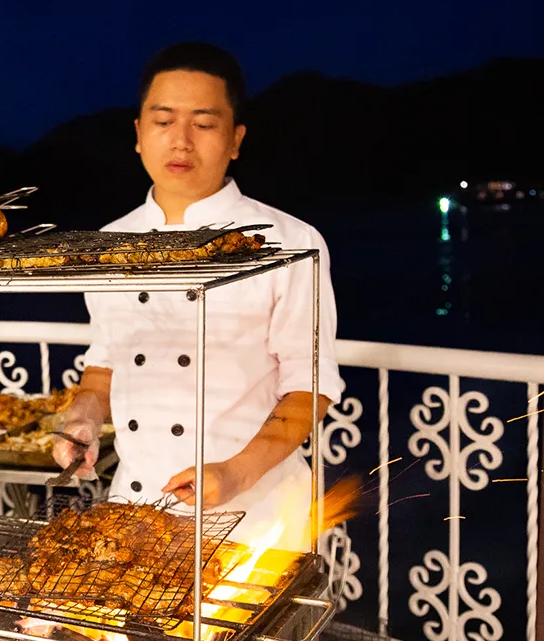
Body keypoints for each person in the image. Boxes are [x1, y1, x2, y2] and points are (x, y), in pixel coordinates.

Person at [52, 42, 344, 551]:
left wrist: (236, 473)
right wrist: (84, 418)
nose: (181, 141)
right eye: (163, 121)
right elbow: (105, 366)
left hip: (255, 513)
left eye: (204, 124)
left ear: (235, 140)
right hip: (135, 508)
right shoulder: (108, 244)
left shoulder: (290, 242)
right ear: (139, 135)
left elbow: (308, 386)